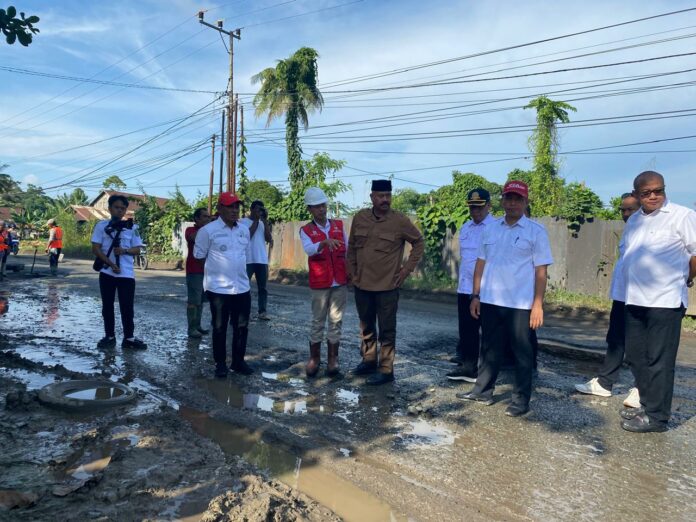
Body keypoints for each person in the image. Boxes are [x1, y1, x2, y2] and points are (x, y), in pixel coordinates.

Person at [459, 180, 553, 417]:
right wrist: (476, 295)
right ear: (502, 201)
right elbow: (481, 264)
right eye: (508, 198)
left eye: (517, 199)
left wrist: (538, 304)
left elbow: (541, 272)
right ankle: (482, 391)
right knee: (490, 348)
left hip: (520, 304)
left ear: (525, 202)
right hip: (490, 300)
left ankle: (521, 401)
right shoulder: (491, 229)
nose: (512, 203)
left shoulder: (535, 231)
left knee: (522, 352)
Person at [618, 171, 696, 433]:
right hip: (634, 300)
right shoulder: (634, 221)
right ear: (636, 194)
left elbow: (695, 253)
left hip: (666, 301)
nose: (653, 196)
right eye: (646, 192)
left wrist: (687, 276)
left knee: (660, 361)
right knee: (635, 356)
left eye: (658, 190)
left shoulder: (682, 216)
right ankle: (647, 404)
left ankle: (658, 418)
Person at [347, 179, 424, 385]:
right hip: (362, 284)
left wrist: (406, 270)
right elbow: (352, 247)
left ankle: (386, 369)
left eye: (388, 196)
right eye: (380, 196)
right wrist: (352, 273)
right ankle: (369, 360)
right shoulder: (360, 218)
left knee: (387, 330)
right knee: (366, 326)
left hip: (388, 286)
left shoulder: (399, 221)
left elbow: (418, 242)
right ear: (372, 197)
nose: (384, 200)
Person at [575, 193, 641, 406]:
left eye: (631, 209)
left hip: (641, 298)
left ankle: (642, 388)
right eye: (623, 209)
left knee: (637, 344)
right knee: (615, 340)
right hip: (621, 295)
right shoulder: (628, 231)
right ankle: (605, 383)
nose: (626, 213)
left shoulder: (649, 231)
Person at [194, 192, 253, 378]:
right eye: (230, 206)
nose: (234, 210)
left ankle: (238, 362)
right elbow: (198, 256)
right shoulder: (208, 231)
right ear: (219, 209)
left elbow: (246, 254)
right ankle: (220, 363)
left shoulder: (243, 229)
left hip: (242, 287)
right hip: (218, 289)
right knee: (220, 327)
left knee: (241, 326)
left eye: (237, 206)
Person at [446, 188, 496, 383]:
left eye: (479, 207)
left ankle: (488, 371)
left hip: (488, 290)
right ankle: (468, 368)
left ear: (488, 206)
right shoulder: (466, 227)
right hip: (465, 288)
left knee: (490, 332)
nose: (475, 211)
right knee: (467, 330)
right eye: (472, 208)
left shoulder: (496, 227)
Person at [300, 187, 349, 377]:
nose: (321, 209)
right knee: (318, 321)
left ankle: (332, 359)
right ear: (309, 210)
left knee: (336, 321)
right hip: (320, 283)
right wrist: (323, 243)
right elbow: (309, 249)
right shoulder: (306, 230)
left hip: (340, 281)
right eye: (316, 206)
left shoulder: (338, 225)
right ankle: (314, 359)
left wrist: (350, 270)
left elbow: (347, 247)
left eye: (323, 205)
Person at [91, 195, 147, 350]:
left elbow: (137, 249)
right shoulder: (101, 226)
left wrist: (124, 251)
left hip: (126, 274)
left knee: (127, 307)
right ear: (109, 208)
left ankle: (129, 338)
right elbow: (95, 248)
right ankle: (109, 336)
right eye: (116, 207)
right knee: (107, 306)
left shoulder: (132, 228)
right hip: (107, 273)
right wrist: (110, 264)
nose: (120, 210)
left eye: (123, 208)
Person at [240, 200, 273, 321]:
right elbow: (248, 236)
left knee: (263, 288)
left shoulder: (262, 223)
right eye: (258, 209)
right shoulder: (243, 222)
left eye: (261, 210)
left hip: (262, 259)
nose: (260, 212)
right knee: (244, 286)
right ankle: (243, 311)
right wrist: (256, 221)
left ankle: (262, 312)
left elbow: (268, 238)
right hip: (248, 259)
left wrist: (264, 220)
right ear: (252, 209)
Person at [185, 208, 212, 338]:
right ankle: (191, 329)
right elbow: (193, 238)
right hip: (194, 270)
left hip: (206, 270)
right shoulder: (191, 230)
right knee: (193, 300)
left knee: (201, 301)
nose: (208, 219)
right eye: (205, 217)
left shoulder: (209, 231)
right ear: (197, 219)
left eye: (209, 217)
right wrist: (208, 227)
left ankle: (197, 326)